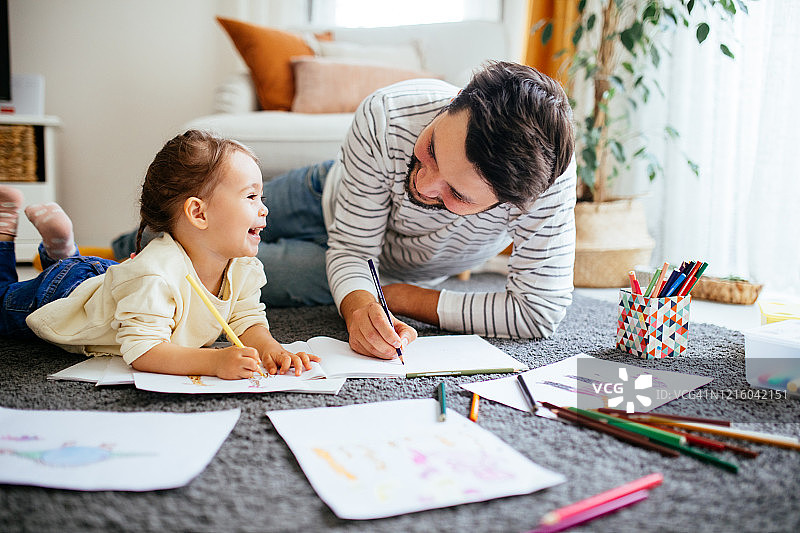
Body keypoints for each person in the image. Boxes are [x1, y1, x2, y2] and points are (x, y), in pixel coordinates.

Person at [114, 61, 577, 361]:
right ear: (454, 102)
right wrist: (360, 307)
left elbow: (536, 312)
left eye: (457, 195)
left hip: (371, 270)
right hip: (327, 195)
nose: (423, 182)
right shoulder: (389, 114)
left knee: (209, 273)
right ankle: (114, 256)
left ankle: (126, 260)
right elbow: (354, 247)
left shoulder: (546, 187)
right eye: (431, 148)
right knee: (180, 228)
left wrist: (395, 297)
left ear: (511, 204)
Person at [0, 130, 317, 379]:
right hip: (64, 294)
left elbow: (246, 320)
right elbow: (144, 351)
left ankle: (63, 252)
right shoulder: (156, 275)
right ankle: (9, 236)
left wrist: (271, 349)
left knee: (107, 280)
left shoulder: (242, 265)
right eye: (251, 196)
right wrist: (213, 361)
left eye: (261, 196)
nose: (264, 208)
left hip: (115, 282)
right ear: (199, 213)